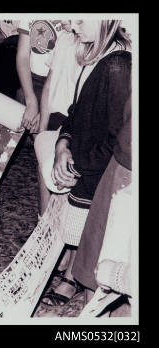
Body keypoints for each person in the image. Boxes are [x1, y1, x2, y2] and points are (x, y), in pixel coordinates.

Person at [41, 20, 131, 307]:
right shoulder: (95, 55)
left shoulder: (118, 66)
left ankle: (82, 290)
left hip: (99, 176)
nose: (71, 23)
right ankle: (75, 278)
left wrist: (81, 165)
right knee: (80, 238)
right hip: (84, 163)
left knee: (93, 247)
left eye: (81, 18)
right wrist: (63, 143)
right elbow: (76, 112)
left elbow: (121, 139)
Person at [72, 96, 132, 314]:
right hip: (125, 160)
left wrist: (113, 274)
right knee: (99, 253)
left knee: (106, 263)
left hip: (128, 165)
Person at [16, 20, 72, 220]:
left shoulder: (74, 32)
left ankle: (53, 220)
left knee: (56, 156)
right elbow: (22, 56)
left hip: (62, 88)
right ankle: (43, 220)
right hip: (35, 82)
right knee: (43, 153)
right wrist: (32, 100)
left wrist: (45, 109)